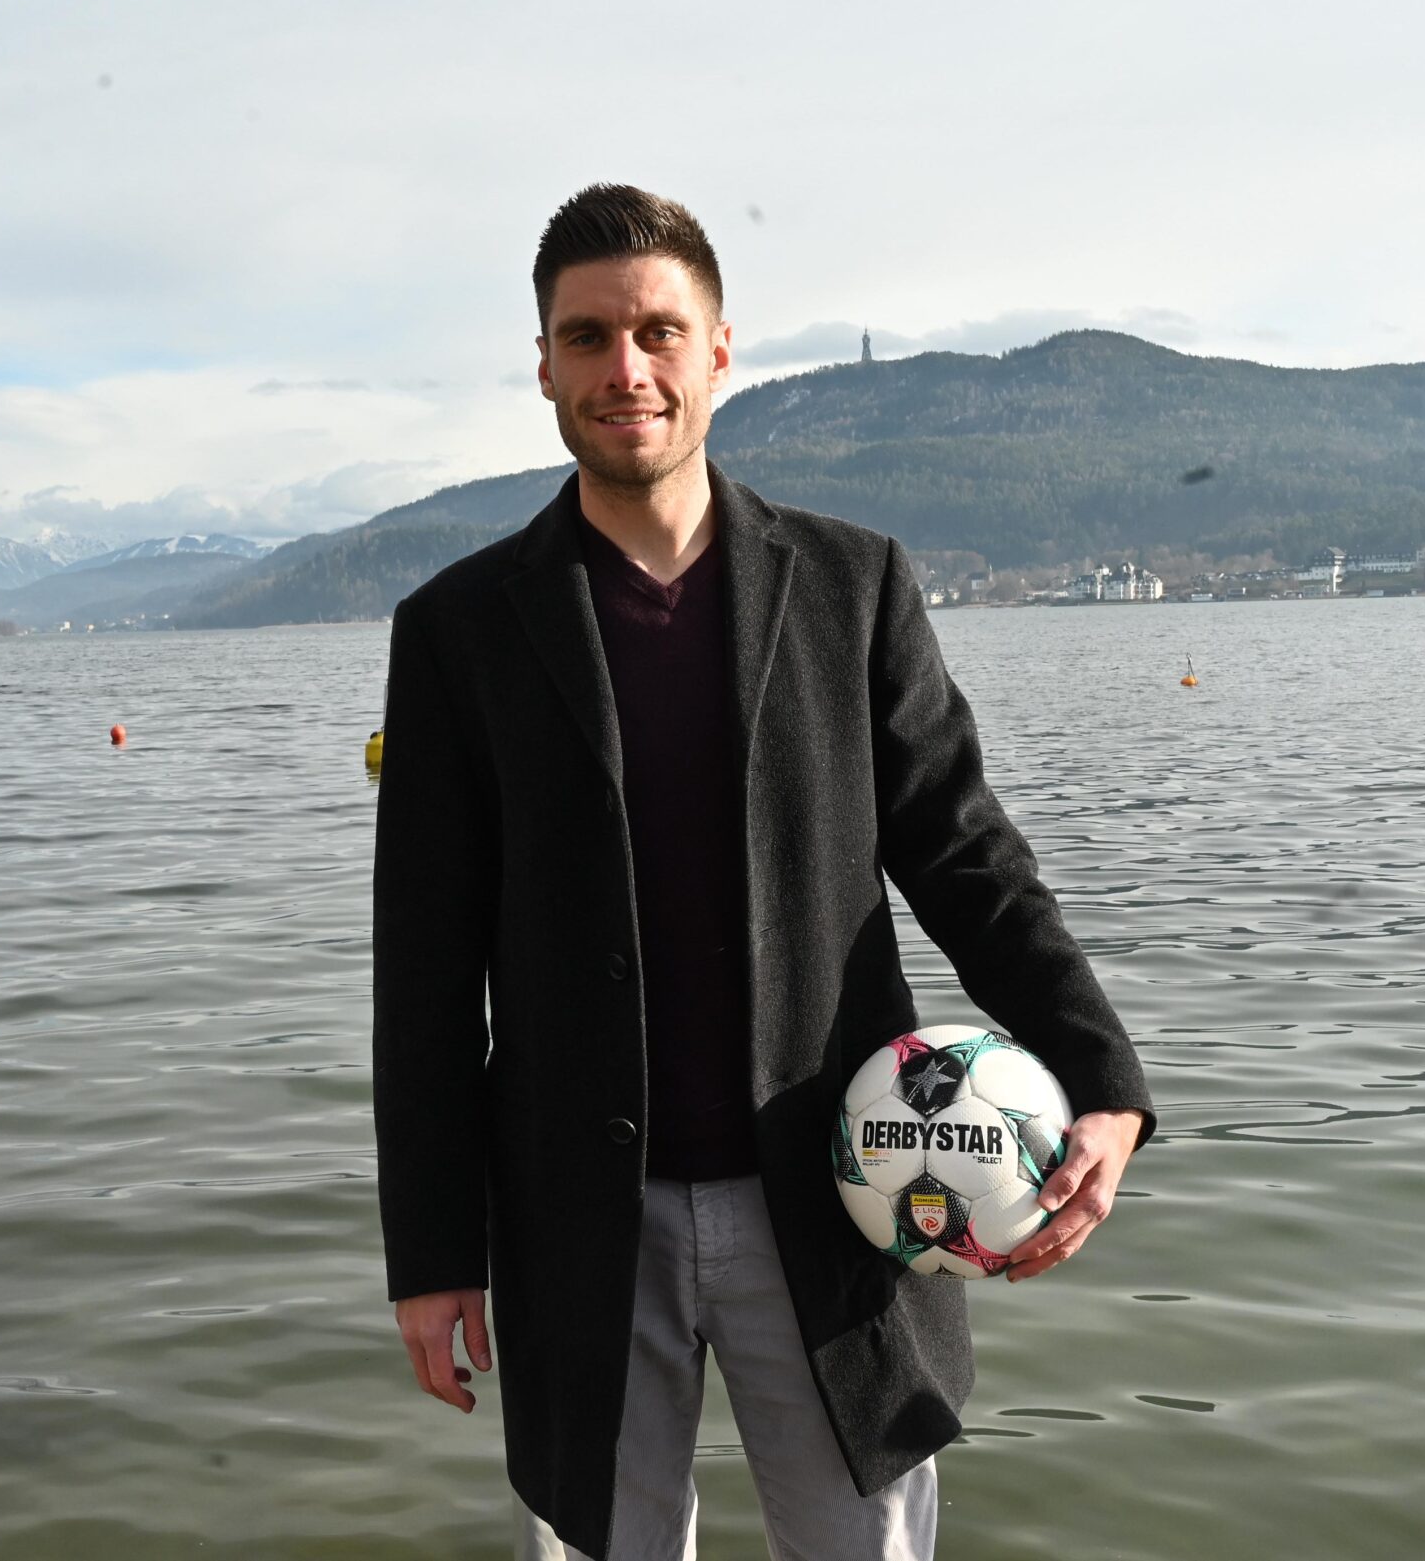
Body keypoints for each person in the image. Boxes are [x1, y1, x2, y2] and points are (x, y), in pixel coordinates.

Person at [372, 183, 1154, 1561]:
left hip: (844, 1190)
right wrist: (433, 1253)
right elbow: (425, 971)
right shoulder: (458, 632)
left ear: (721, 351)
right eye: (588, 337)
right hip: (577, 1221)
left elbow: (967, 855)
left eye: (659, 332)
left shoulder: (853, 585)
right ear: (543, 365)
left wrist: (1104, 1076)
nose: (627, 369)